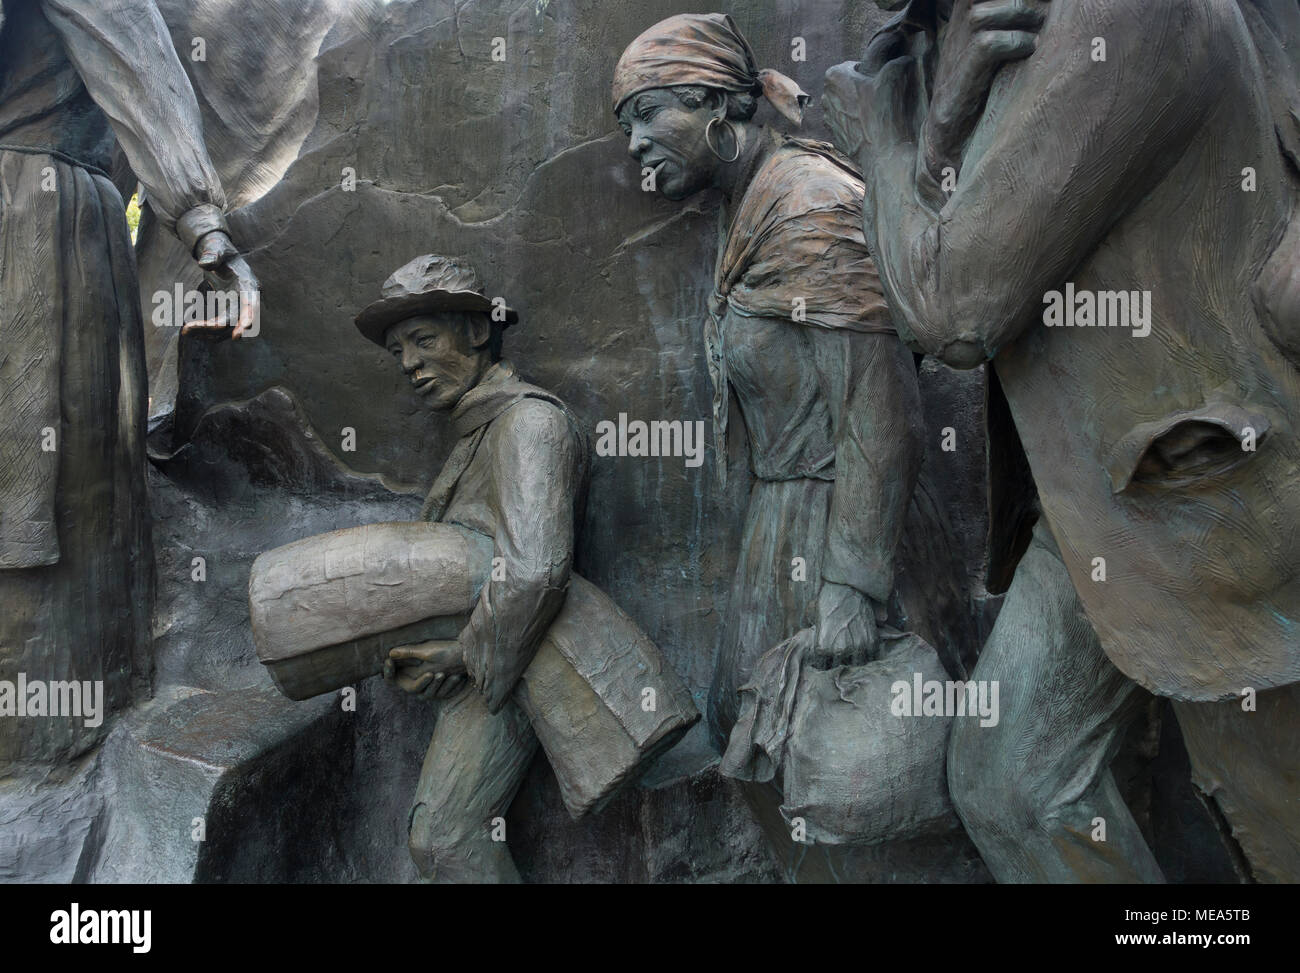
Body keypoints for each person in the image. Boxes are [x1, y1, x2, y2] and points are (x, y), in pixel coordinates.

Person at [824, 0, 1300, 881]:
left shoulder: (1124, 15)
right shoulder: (978, 31)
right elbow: (958, 221)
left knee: (1276, 824)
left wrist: (882, 129)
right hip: (1104, 498)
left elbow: (956, 309)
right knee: (1014, 782)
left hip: (1219, 497)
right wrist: (939, 128)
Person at [612, 13, 925, 760]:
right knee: (750, 732)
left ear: (718, 103)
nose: (635, 144)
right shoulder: (748, 204)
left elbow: (880, 404)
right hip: (783, 525)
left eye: (649, 113)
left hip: (845, 528)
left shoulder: (809, 203)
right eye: (627, 127)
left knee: (811, 752)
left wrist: (852, 587)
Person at [0, 0, 255, 770]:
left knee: (53, 468)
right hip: (39, 217)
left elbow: (132, 61)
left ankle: (43, 725)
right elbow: (138, 65)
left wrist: (204, 227)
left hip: (45, 212)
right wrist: (207, 229)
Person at [354, 253, 588, 883]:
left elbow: (537, 569)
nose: (409, 363)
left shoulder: (530, 422)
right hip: (496, 660)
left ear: (478, 331)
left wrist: (461, 655)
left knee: (446, 839)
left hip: (526, 661)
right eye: (399, 350)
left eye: (423, 340)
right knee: (442, 838)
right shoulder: (479, 431)